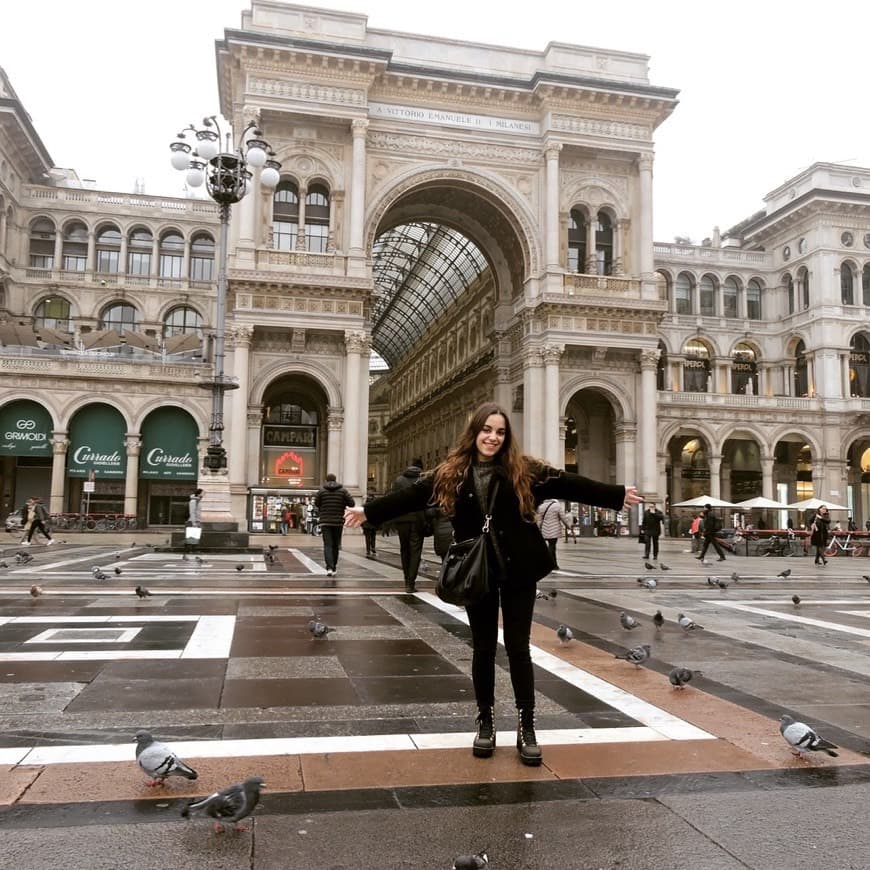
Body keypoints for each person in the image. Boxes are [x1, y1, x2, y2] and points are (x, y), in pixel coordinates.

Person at [344, 401, 641, 766]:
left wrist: (614, 494)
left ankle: (525, 726)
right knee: (483, 649)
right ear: (475, 432)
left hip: (518, 570)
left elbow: (569, 483)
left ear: (506, 437)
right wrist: (368, 511)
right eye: (487, 430)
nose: (493, 437)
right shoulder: (452, 471)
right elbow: (411, 496)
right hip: (476, 569)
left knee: (519, 649)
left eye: (500, 432)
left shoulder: (524, 470)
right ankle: (485, 722)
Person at [389, 458, 428, 592]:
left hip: (402, 520)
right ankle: (411, 582)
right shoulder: (424, 480)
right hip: (418, 519)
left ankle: (406, 579)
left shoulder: (399, 481)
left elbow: (392, 501)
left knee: (404, 550)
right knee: (416, 551)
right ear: (420, 468)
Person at [314, 473, 355, 577]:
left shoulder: (321, 491)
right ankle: (334, 567)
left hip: (325, 521)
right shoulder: (343, 491)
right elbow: (352, 503)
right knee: (336, 545)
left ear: (326, 480)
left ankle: (329, 568)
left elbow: (317, 504)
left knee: (327, 545)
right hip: (338, 522)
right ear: (335, 480)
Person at [535, 498, 571, 570]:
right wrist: (568, 525)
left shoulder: (541, 507)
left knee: (551, 546)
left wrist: (538, 529)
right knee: (552, 546)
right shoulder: (557, 506)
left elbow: (539, 520)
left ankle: (552, 564)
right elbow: (563, 517)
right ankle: (552, 564)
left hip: (545, 529)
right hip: (554, 529)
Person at [362, 494, 379, 558]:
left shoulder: (364, 507)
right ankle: (373, 549)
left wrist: (362, 524)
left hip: (366, 525)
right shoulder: (375, 507)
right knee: (373, 537)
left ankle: (368, 550)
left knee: (367, 538)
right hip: (373, 524)